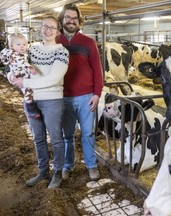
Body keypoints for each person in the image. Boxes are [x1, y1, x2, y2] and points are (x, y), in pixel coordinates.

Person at [12, 16, 69, 189]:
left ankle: (57, 172)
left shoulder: (62, 52)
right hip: (31, 100)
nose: (47, 30)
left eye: (52, 27)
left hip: (52, 100)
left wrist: (26, 83)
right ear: (40, 28)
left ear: (58, 32)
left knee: (56, 138)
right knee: (38, 138)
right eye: (45, 26)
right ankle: (43, 170)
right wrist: (12, 77)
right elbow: (18, 65)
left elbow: (53, 78)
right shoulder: (32, 50)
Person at [57, 4, 103, 181]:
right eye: (68, 17)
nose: (71, 20)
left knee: (88, 133)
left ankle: (91, 165)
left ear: (79, 21)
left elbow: (97, 70)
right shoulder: (55, 42)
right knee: (67, 135)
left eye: (74, 18)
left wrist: (97, 93)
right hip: (64, 98)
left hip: (86, 98)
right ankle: (68, 166)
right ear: (62, 20)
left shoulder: (88, 42)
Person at [0, 33, 41, 119]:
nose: (22, 46)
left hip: (24, 75)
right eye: (18, 44)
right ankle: (31, 110)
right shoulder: (14, 55)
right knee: (28, 91)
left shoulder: (23, 53)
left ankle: (32, 106)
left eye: (24, 44)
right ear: (12, 46)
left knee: (29, 90)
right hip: (20, 75)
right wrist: (31, 67)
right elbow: (22, 62)